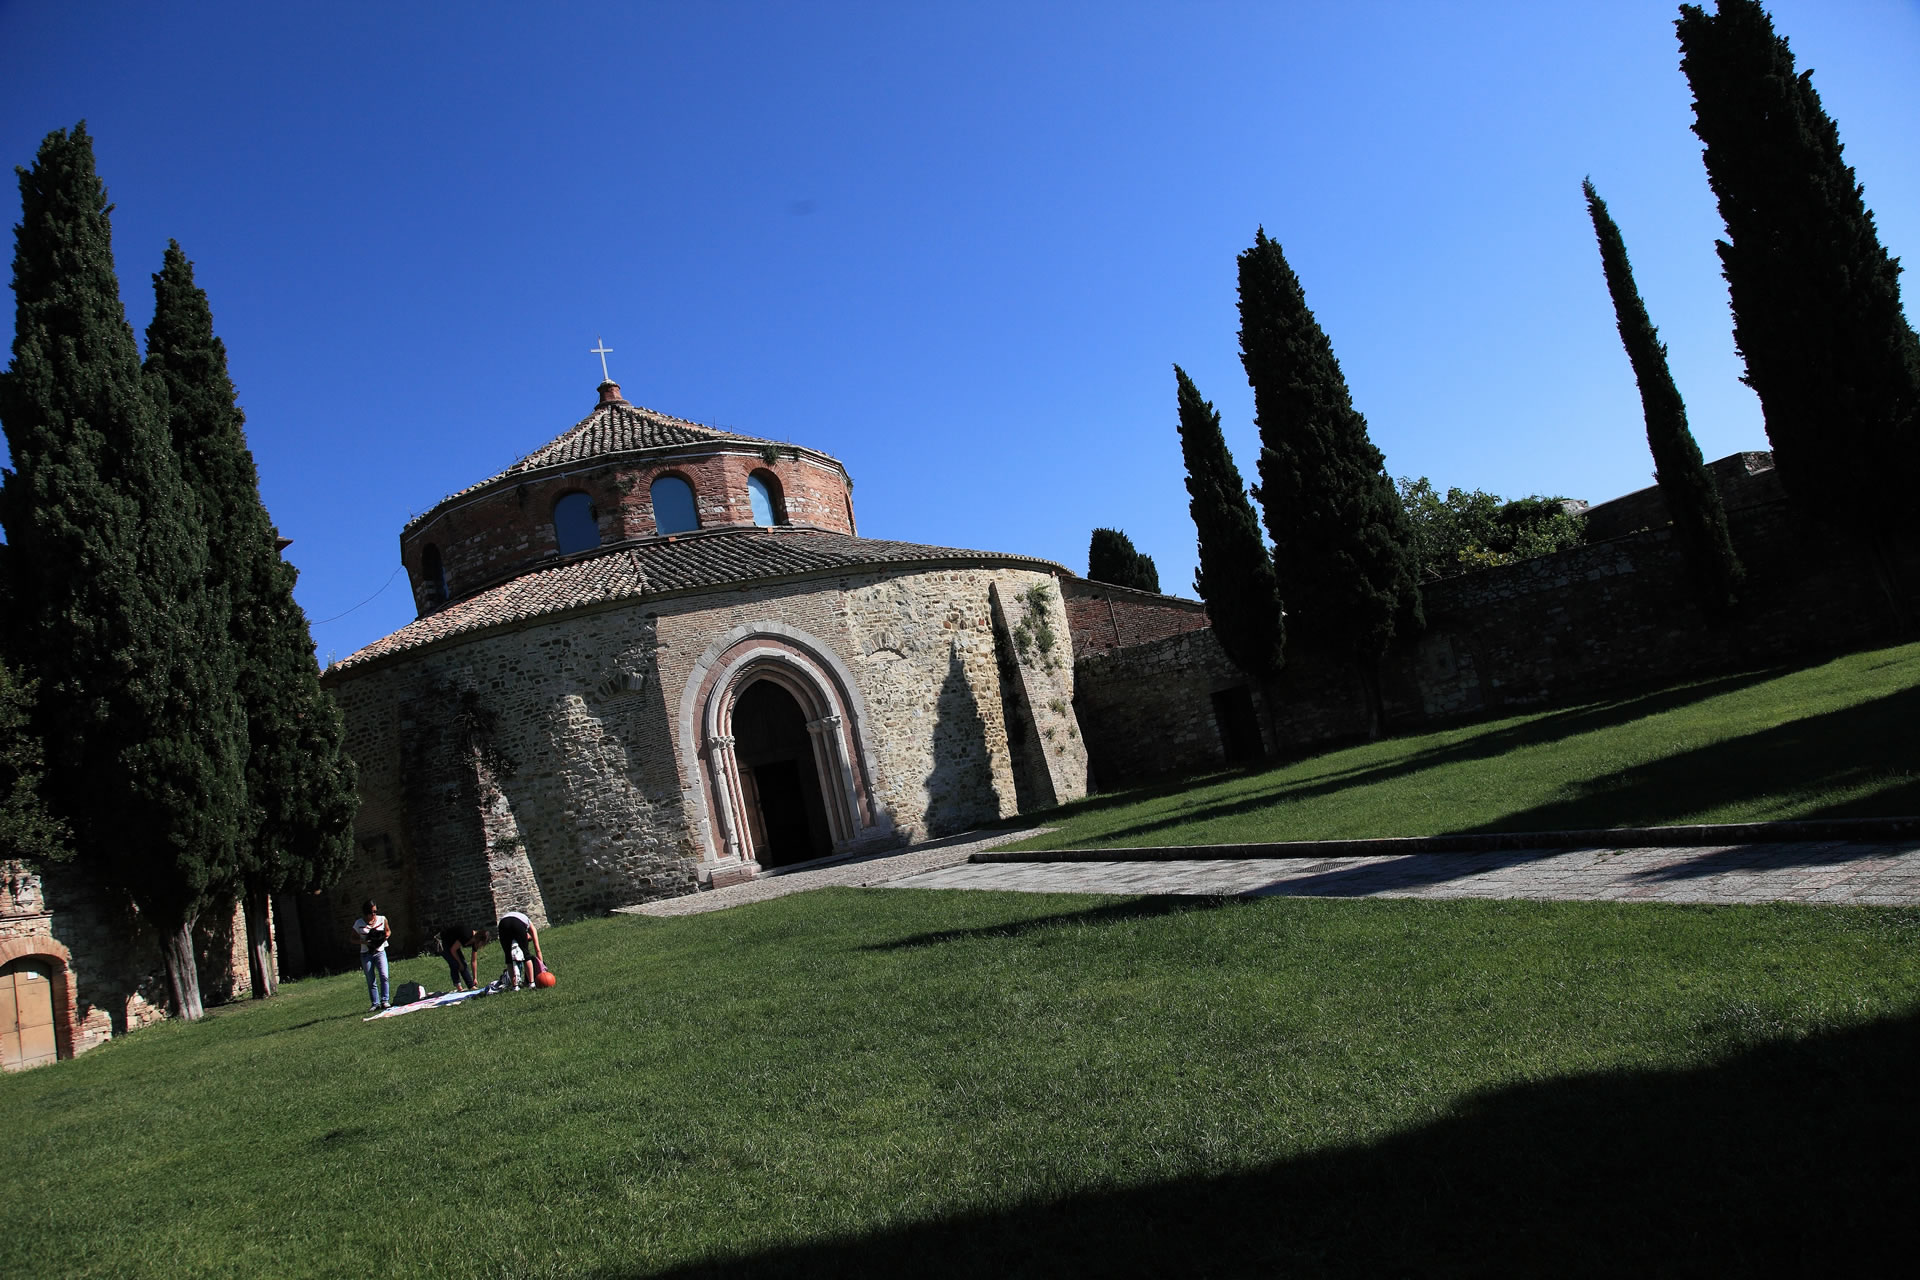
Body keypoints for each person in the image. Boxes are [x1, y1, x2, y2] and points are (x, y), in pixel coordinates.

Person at [353, 899, 392, 1012]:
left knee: (384, 975)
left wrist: (384, 937)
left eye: (375, 911)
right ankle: (375, 1003)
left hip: (380, 951)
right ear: (366, 913)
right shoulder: (359, 923)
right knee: (371, 979)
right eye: (371, 912)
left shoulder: (382, 919)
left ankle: (385, 1000)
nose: (374, 914)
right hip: (366, 954)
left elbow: (388, 931)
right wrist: (364, 942)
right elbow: (352, 939)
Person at [496, 909, 546, 990]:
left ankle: (515, 986)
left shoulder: (522, 918)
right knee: (526, 955)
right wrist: (542, 969)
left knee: (508, 957)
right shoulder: (530, 926)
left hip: (503, 924)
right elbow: (537, 949)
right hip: (517, 924)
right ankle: (531, 983)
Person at [438, 924, 490, 992]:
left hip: (452, 944)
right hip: (442, 941)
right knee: (455, 964)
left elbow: (473, 961)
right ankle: (459, 987)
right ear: (479, 938)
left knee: (463, 964)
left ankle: (471, 986)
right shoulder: (466, 935)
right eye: (482, 943)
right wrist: (460, 963)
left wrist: (475, 978)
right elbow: (453, 950)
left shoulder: (475, 942)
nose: (481, 946)